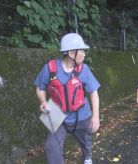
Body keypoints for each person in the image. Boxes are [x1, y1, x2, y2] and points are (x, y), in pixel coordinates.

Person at [34, 33, 100, 164]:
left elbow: (94, 93)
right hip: (56, 114)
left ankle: (87, 157)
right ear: (71, 53)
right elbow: (40, 87)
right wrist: (42, 101)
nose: (84, 54)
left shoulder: (84, 69)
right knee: (51, 147)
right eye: (81, 51)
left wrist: (95, 116)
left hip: (81, 114)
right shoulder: (50, 68)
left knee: (86, 141)